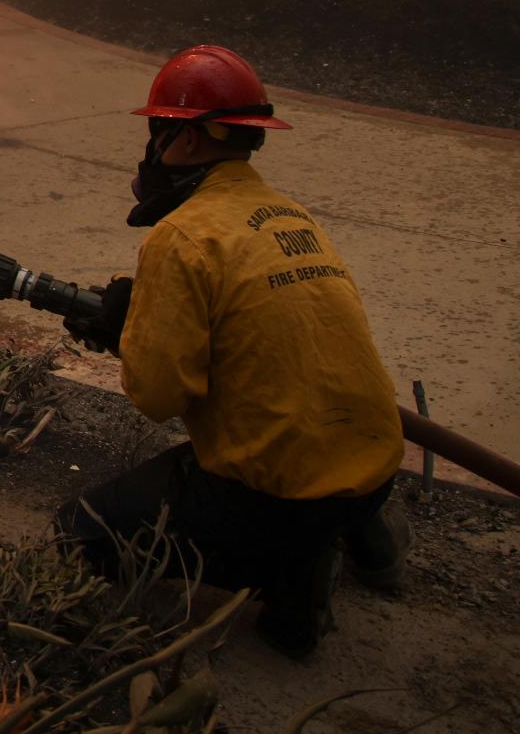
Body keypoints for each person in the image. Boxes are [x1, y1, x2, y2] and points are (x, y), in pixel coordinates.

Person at [57, 44, 410, 658]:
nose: (152, 147)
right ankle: (361, 542)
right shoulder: (289, 216)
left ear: (190, 139)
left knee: (81, 532)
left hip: (278, 498)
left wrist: (131, 335)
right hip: (373, 469)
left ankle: (290, 575)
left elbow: (160, 397)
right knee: (319, 458)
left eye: (158, 130)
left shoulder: (184, 234)